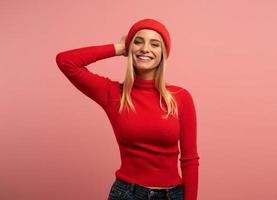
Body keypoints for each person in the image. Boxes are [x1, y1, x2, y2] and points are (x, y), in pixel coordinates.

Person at [55, 18, 200, 200]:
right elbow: (65, 61)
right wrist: (119, 47)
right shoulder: (113, 93)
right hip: (128, 194)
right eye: (138, 42)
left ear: (163, 53)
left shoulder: (181, 97)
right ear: (130, 48)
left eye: (154, 44)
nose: (145, 48)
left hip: (173, 195)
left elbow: (190, 160)